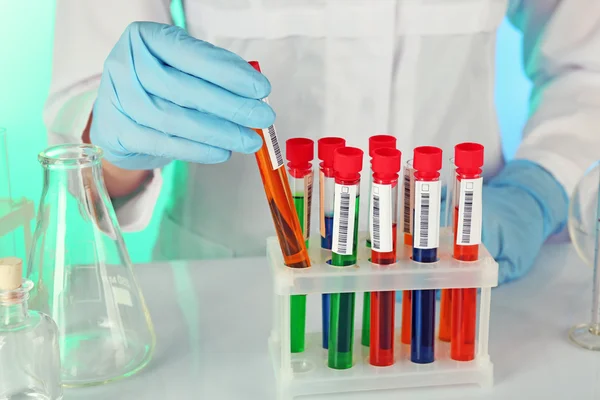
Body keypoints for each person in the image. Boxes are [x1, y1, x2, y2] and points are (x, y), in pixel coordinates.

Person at [43, 1, 600, 285]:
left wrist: (544, 179)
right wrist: (114, 147)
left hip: (459, 276)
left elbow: (587, 62)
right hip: (232, 296)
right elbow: (87, 107)